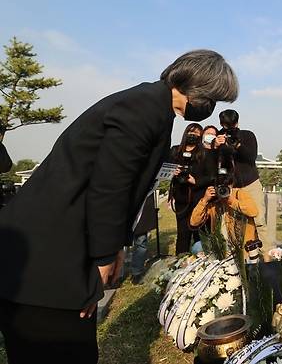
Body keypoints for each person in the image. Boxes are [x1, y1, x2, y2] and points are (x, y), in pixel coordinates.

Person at [0, 49, 238, 364]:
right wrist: (103, 257)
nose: (210, 108)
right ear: (194, 87)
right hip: (45, 257)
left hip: (56, 249)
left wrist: (117, 245)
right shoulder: (143, 109)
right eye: (211, 99)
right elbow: (110, 187)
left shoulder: (153, 106)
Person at [212, 110, 266, 241]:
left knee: (258, 220)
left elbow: (251, 158)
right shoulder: (218, 137)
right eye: (226, 124)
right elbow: (211, 162)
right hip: (230, 186)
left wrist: (238, 145)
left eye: (232, 123)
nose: (229, 127)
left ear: (237, 122)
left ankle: (266, 251)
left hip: (250, 183)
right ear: (221, 124)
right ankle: (233, 251)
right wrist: (215, 146)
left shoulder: (247, 135)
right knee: (230, 223)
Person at [169, 123, 213, 254]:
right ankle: (180, 261)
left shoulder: (204, 153)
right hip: (181, 198)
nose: (193, 135)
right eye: (191, 132)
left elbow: (211, 176)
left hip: (199, 199)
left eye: (197, 133)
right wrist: (172, 172)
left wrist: (195, 181)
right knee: (183, 235)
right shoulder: (175, 151)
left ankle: (203, 262)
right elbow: (165, 168)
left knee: (201, 235)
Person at [189, 177, 259, 258]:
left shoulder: (239, 194)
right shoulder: (214, 204)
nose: (222, 190)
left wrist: (231, 200)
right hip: (221, 246)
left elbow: (254, 211)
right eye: (219, 188)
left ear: (232, 185)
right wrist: (204, 200)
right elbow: (194, 222)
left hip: (240, 246)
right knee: (197, 247)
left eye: (226, 187)